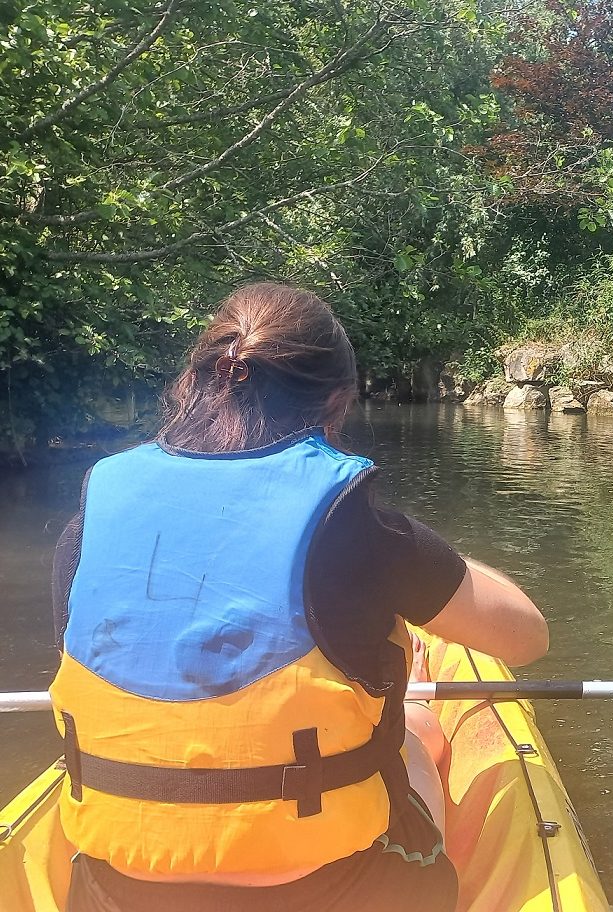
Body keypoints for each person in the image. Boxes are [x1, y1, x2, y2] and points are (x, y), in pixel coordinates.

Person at [48, 281, 549, 912]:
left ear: (195, 383)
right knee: (418, 733)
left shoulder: (90, 520)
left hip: (112, 892)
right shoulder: (356, 525)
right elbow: (527, 638)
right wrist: (419, 569)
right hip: (328, 888)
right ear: (337, 402)